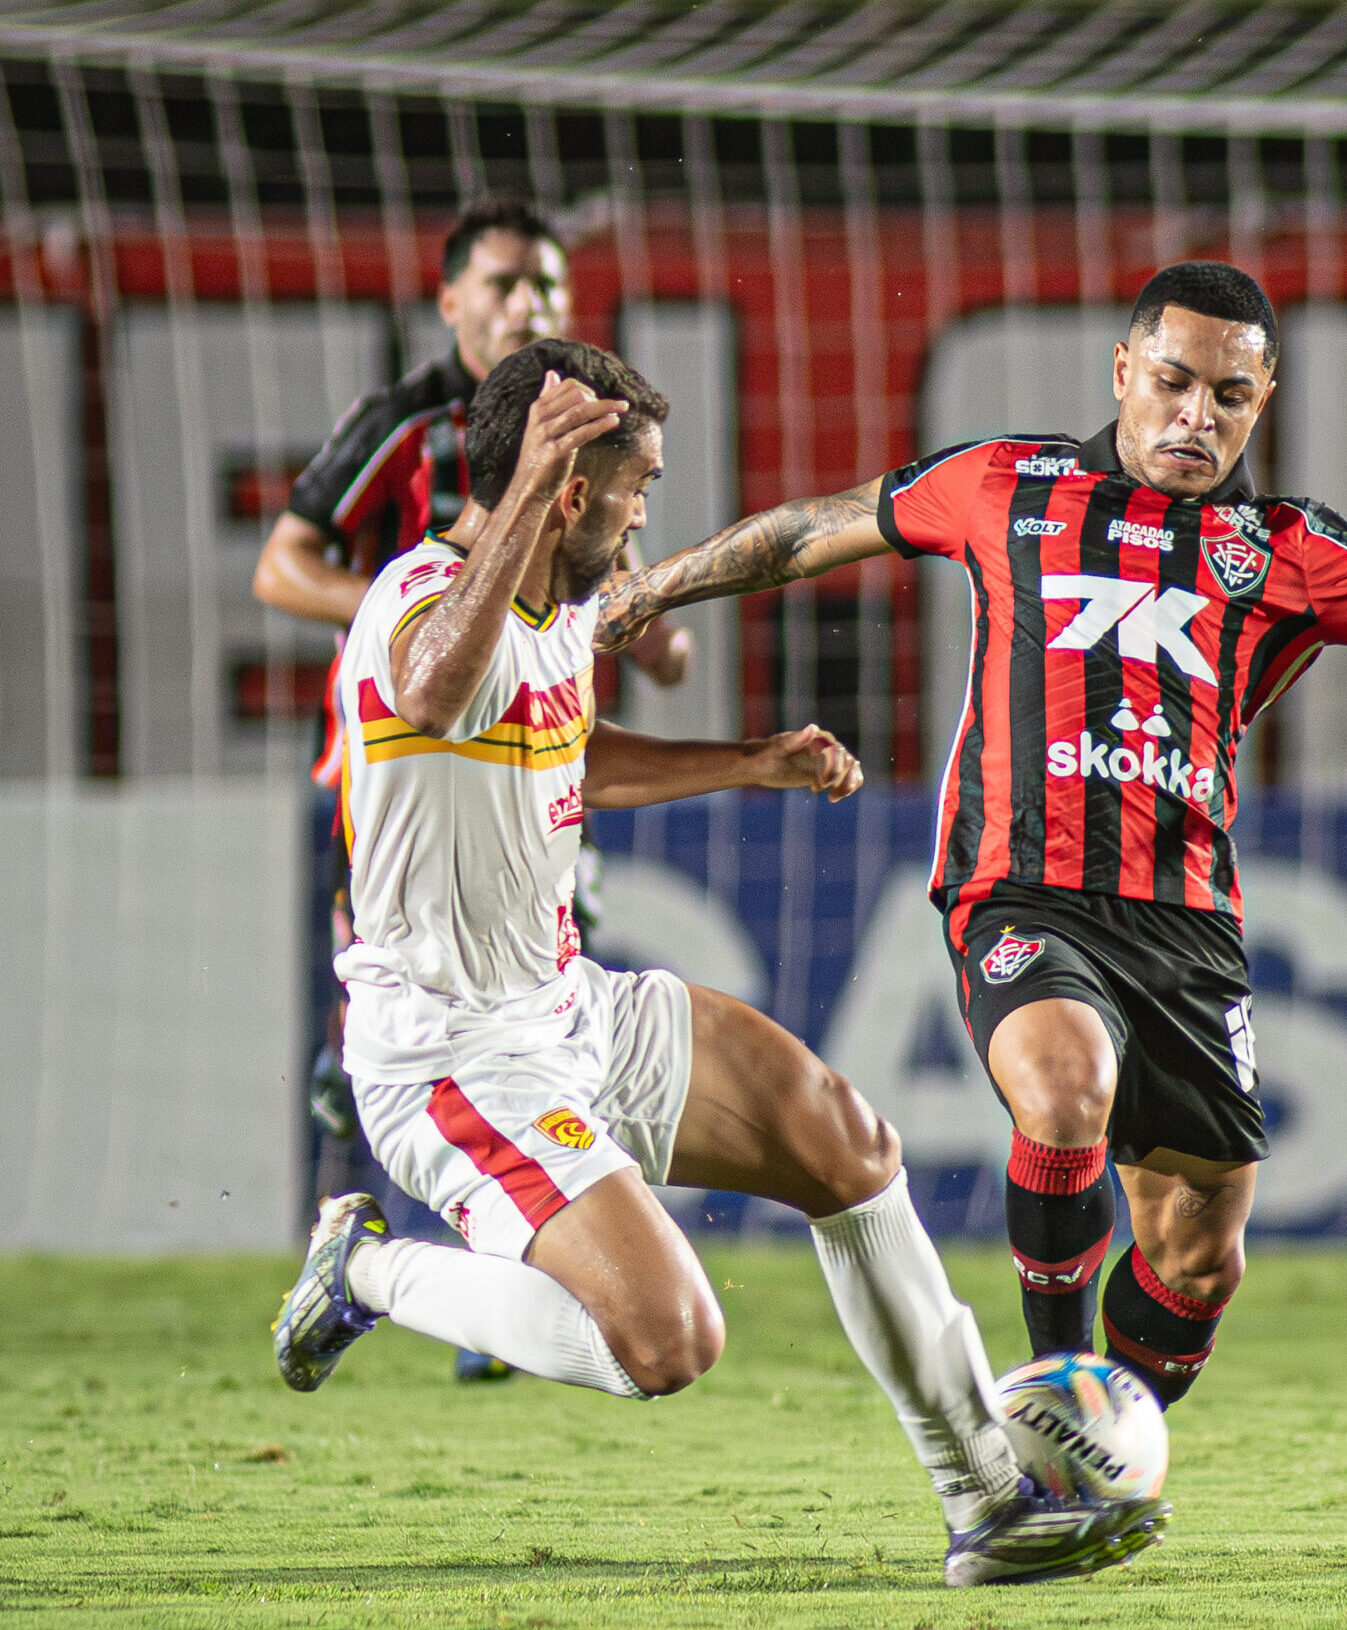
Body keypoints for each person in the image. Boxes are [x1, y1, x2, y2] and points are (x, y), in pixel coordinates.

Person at [590, 260, 1347, 1415]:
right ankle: (1047, 1407)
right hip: (1020, 892)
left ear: (1263, 404)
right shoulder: (1004, 483)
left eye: (1228, 397)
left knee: (1198, 1258)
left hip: (1187, 926)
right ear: (1120, 372)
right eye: (1170, 382)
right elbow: (816, 530)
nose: (1193, 416)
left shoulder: (1283, 548)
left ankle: (1112, 1442)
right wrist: (655, 588)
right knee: (1062, 1094)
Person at [271, 337, 1169, 1588]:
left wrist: (744, 758)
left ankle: (989, 1498)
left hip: (568, 1004)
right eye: (635, 488)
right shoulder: (417, 598)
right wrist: (531, 484)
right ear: (566, 491)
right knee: (668, 1339)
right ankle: (364, 1267)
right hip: (447, 1055)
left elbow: (561, 750)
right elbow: (428, 697)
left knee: (842, 1142)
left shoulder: (551, 611)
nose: (647, 521)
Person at [255, 198, 688, 1377]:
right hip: (398, 780)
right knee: (388, 1057)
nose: (524, 306)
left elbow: (657, 642)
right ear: (449, 304)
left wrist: (637, 621)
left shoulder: (596, 445)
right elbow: (281, 567)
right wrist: (433, 616)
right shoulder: (401, 426)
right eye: (500, 285)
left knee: (535, 1025)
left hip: (537, 764)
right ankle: (361, 1247)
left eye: (543, 285)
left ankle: (496, 1280)